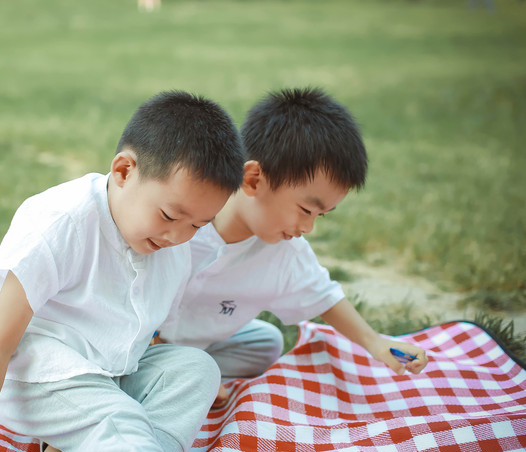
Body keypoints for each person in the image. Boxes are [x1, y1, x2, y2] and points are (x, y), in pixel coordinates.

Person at [0, 90, 245, 452]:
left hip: (111, 372)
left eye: (197, 224)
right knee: (116, 417)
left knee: (197, 369)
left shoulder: (175, 245)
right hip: (39, 375)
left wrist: (165, 375)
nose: (178, 236)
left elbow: (146, 331)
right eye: (170, 216)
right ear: (123, 170)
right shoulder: (61, 223)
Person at [156, 88, 429, 408]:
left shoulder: (285, 252)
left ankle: (186, 369)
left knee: (265, 342)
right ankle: (179, 373)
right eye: (305, 210)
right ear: (254, 179)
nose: (308, 228)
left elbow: (325, 295)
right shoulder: (179, 219)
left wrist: (376, 342)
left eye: (320, 216)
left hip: (191, 342)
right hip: (132, 337)